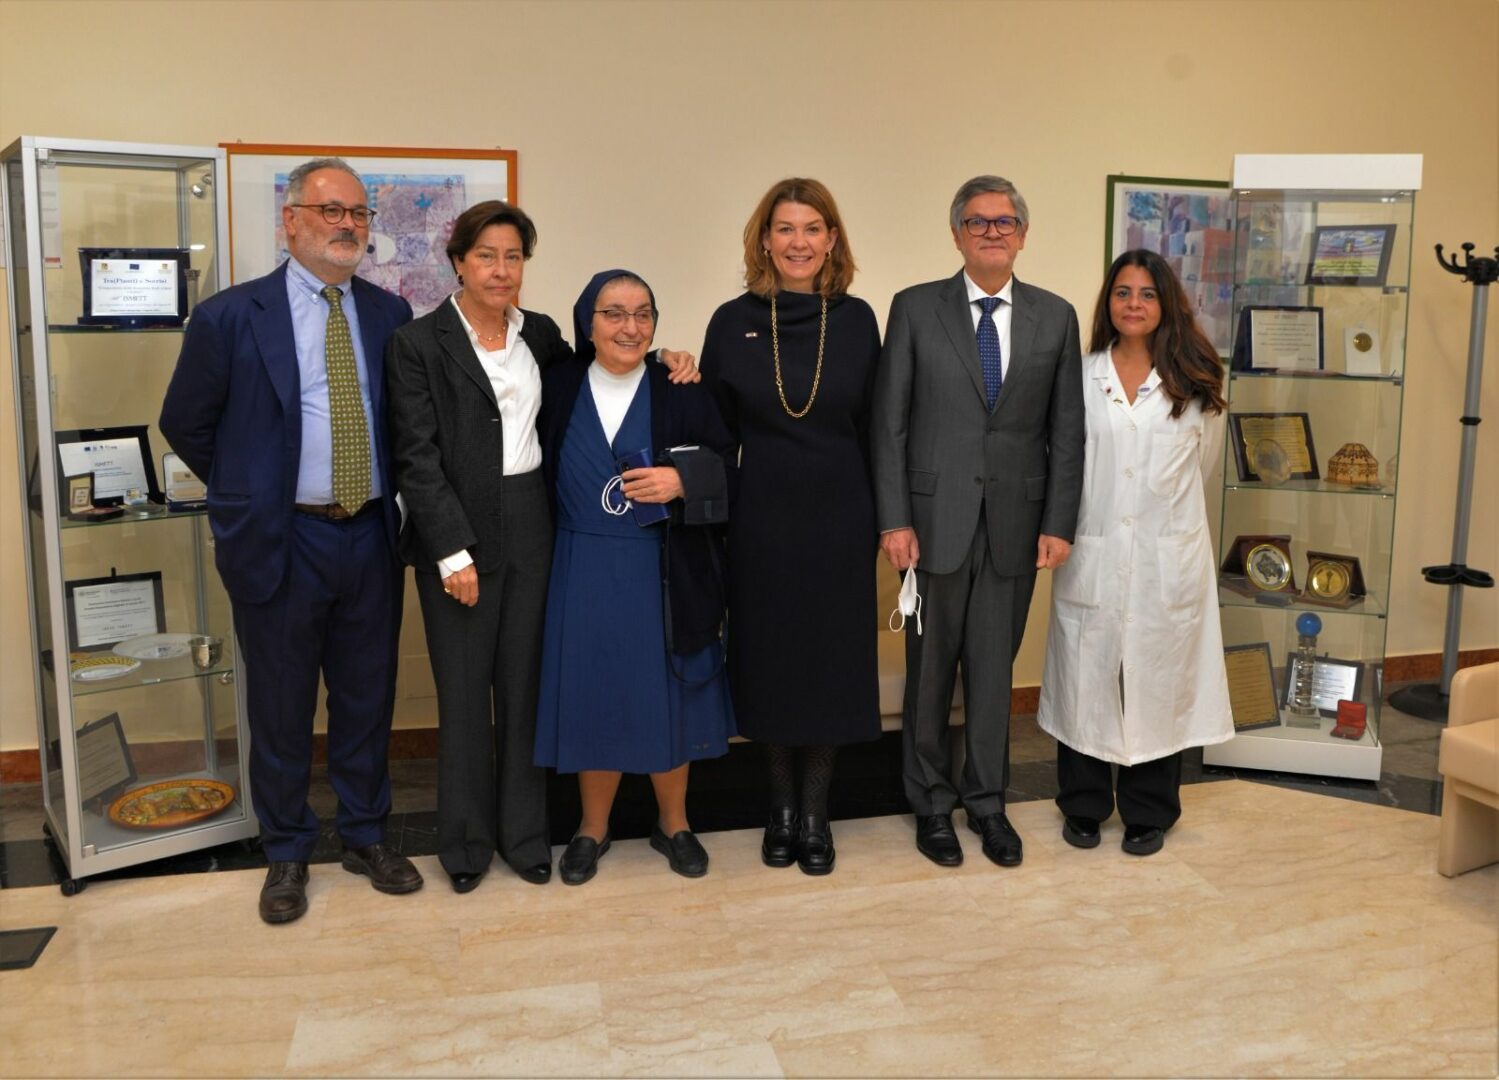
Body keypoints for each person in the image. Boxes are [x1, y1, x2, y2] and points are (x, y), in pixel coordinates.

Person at [385, 203, 702, 894]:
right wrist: (451, 551)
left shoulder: (542, 334)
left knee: (526, 689)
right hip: (458, 530)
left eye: (513, 256)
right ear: (458, 262)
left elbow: (603, 370)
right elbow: (415, 457)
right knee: (465, 696)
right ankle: (466, 846)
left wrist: (663, 356)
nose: (501, 270)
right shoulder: (417, 343)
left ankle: (525, 838)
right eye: (486, 256)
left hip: (535, 523)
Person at [160, 158, 422, 924]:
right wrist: (250, 490)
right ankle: (286, 851)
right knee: (279, 705)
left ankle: (366, 835)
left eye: (359, 213)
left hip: (368, 535)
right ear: (292, 220)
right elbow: (185, 423)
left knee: (367, 698)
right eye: (331, 210)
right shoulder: (231, 316)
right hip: (282, 539)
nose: (347, 225)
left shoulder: (389, 313)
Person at [871, 174, 1085, 869]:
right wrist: (893, 519)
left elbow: (1067, 431)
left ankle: (988, 804)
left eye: (1004, 221)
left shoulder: (1055, 316)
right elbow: (889, 424)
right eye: (977, 221)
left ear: (1022, 234)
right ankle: (931, 805)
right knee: (930, 675)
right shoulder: (914, 308)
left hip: (1016, 526)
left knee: (994, 676)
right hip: (931, 523)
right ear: (957, 234)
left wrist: (1058, 521)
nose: (991, 231)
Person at [699, 178, 881, 875]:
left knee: (829, 664)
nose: (798, 242)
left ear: (831, 240)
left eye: (811, 229)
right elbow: (713, 434)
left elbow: (877, 429)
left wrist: (889, 521)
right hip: (761, 520)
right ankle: (778, 809)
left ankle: (815, 813)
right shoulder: (731, 320)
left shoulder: (858, 320)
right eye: (784, 229)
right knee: (769, 661)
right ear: (764, 239)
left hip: (841, 519)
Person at [534, 270, 736, 885]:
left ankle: (674, 824)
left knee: (667, 697)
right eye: (614, 313)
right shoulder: (556, 383)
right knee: (593, 694)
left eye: (643, 313)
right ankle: (591, 828)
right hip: (580, 567)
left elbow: (730, 466)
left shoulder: (680, 388)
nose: (630, 326)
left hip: (662, 568)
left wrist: (683, 481)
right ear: (587, 322)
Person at [1037, 250, 1232, 856]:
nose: (1134, 304)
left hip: (1165, 555)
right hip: (1094, 546)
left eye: (1147, 294)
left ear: (1165, 303)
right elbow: (1062, 458)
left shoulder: (1194, 381)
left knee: (1159, 675)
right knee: (1086, 673)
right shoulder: (1081, 375)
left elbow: (1202, 466)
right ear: (1109, 302)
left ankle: (1150, 810)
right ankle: (1084, 804)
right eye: (1123, 292)